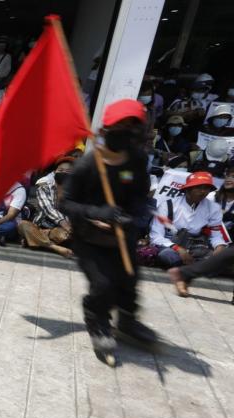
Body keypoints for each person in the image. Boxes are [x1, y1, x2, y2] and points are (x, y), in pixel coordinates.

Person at [60, 99, 159, 364]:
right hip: (89, 238)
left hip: (122, 235)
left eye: (132, 127)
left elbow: (140, 197)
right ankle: (98, 322)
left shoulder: (138, 161)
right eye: (121, 126)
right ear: (106, 130)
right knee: (102, 284)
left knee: (129, 278)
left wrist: (132, 215)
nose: (126, 132)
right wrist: (96, 213)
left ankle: (127, 320)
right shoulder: (88, 164)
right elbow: (65, 202)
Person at [149, 171, 228, 268]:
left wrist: (219, 247)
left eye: (206, 188)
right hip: (171, 246)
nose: (203, 191)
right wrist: (178, 249)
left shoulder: (214, 208)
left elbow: (216, 235)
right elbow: (155, 236)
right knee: (166, 256)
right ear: (187, 189)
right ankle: (198, 266)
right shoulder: (168, 205)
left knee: (225, 259)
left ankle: (197, 265)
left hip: (198, 247)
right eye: (198, 187)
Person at [18, 158, 75, 258]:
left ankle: (35, 241)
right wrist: (64, 223)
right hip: (40, 227)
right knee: (23, 225)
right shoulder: (44, 187)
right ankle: (55, 248)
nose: (64, 173)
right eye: (61, 170)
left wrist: (67, 227)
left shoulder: (75, 191)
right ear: (55, 171)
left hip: (58, 231)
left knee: (67, 236)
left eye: (68, 171)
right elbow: (48, 209)